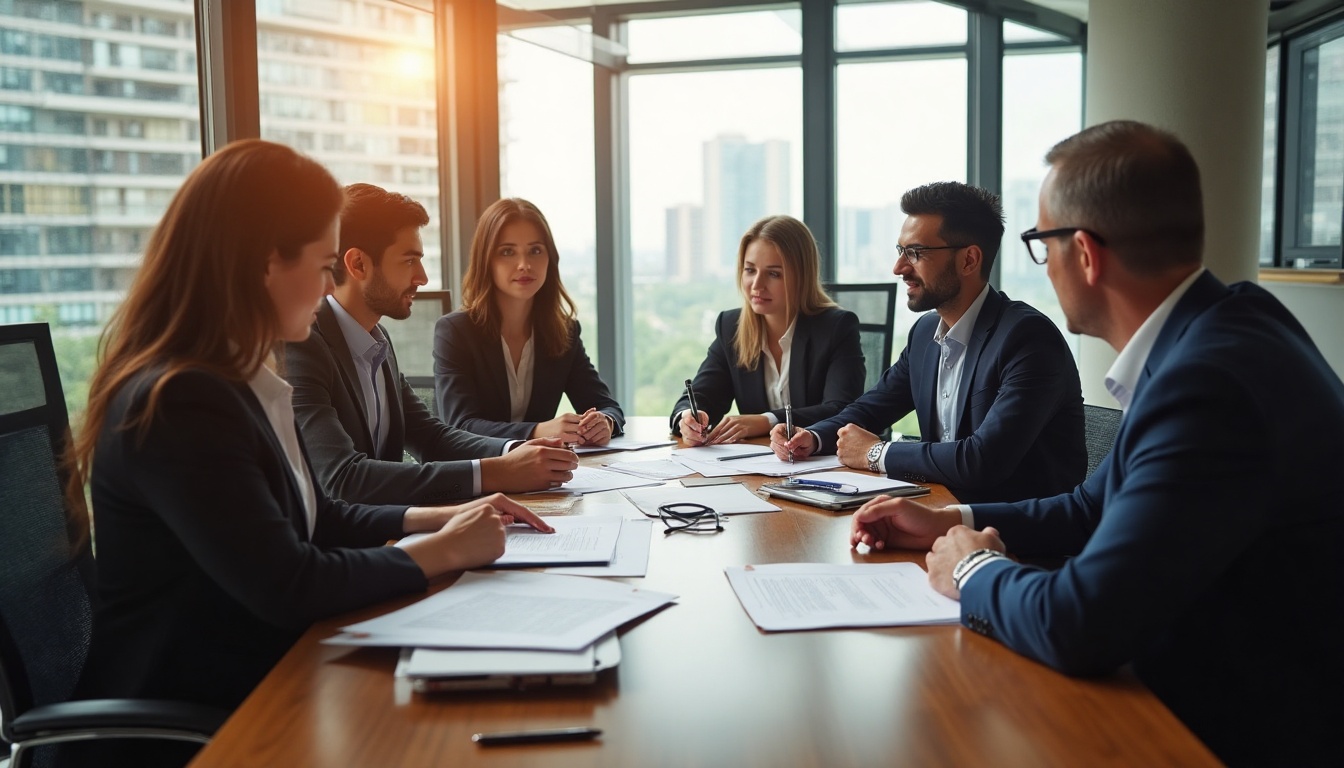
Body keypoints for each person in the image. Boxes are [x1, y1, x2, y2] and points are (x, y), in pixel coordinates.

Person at [849, 121, 1344, 766]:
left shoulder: (1206, 383)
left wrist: (969, 569)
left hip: (1234, 728)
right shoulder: (1226, 325)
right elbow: (1091, 506)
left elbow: (1083, 623)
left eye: (1039, 243)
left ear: (1084, 253)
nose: (1042, 264)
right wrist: (950, 518)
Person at [64, 141, 552, 764]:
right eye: (324, 267)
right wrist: (446, 549)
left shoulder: (235, 378)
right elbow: (289, 582)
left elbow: (320, 515)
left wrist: (436, 519)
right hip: (201, 720)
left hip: (263, 672)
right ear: (267, 261)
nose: (329, 287)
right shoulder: (180, 400)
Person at [771, 182, 1085, 503]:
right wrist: (811, 436)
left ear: (968, 260)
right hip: (939, 510)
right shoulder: (925, 333)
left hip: (1015, 534)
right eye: (901, 251)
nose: (899, 268)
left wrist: (877, 452)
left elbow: (983, 461)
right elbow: (871, 408)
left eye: (916, 253)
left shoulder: (1028, 338)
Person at [284, 184, 579, 504]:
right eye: (409, 261)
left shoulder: (376, 342)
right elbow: (342, 479)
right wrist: (496, 472)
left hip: (389, 531)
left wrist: (515, 451)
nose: (422, 277)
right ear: (358, 265)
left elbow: (429, 436)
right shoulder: (303, 346)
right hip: (344, 547)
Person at [433, 198, 624, 444]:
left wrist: (605, 422)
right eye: (507, 252)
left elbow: (606, 406)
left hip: (540, 475)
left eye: (535, 250)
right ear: (486, 261)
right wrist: (539, 431)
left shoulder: (563, 331)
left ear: (550, 259)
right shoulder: (456, 331)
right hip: (477, 474)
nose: (524, 265)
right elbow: (461, 424)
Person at [670, 214, 865, 444]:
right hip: (757, 465)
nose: (756, 285)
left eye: (774, 274)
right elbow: (702, 396)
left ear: (801, 276)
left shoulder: (836, 327)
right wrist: (689, 418)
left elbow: (841, 410)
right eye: (750, 270)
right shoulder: (731, 327)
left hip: (820, 465)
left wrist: (767, 420)